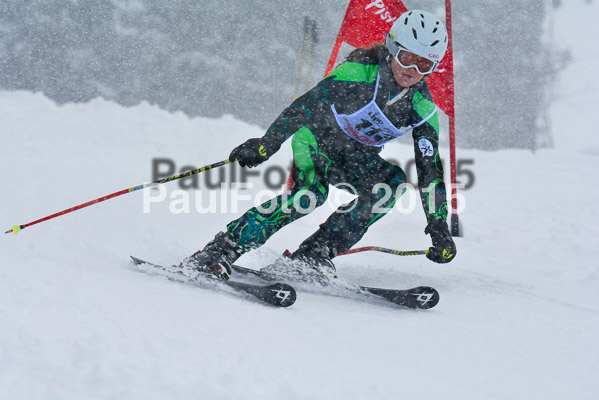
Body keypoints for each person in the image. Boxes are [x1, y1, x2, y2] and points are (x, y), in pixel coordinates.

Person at [183, 9, 457, 280]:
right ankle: (222, 250)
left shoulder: (422, 107)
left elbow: (429, 168)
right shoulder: (358, 73)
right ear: (392, 47)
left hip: (356, 156)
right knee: (310, 196)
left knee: (391, 184)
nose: (412, 70)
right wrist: (266, 144)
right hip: (317, 141)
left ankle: (316, 252)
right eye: (407, 58)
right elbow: (304, 107)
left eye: (424, 65)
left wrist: (438, 223)